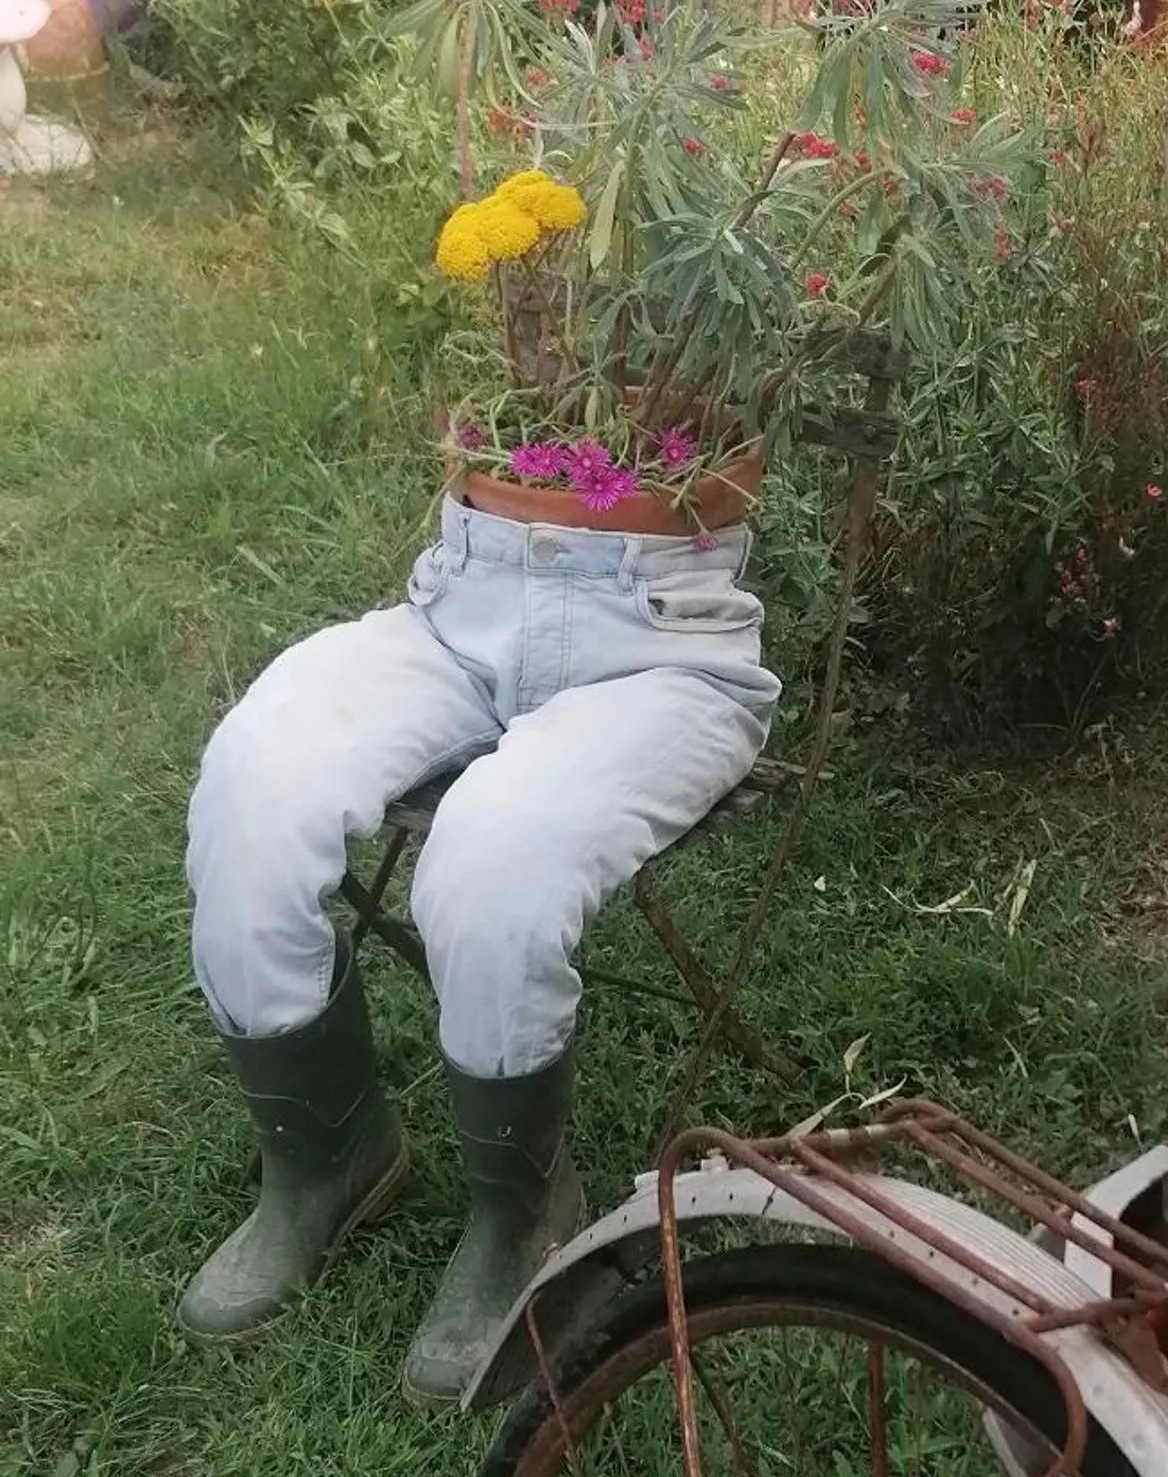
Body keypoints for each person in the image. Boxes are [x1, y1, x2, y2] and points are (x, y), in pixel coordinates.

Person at [179, 493, 777, 1401]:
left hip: (662, 650)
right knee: (251, 795)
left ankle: (523, 1215)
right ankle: (322, 1164)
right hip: (463, 612)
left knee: (495, 866)